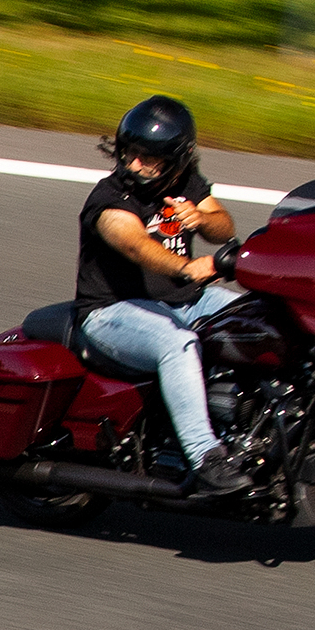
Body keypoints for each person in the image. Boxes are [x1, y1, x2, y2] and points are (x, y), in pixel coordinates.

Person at [73, 95, 249, 495]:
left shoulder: (186, 184)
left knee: (258, 316)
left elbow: (224, 227)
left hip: (183, 301)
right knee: (179, 343)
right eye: (130, 153)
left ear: (176, 160)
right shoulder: (110, 199)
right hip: (112, 312)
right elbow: (135, 244)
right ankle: (204, 455)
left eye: (148, 157)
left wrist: (203, 218)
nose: (135, 164)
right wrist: (188, 268)